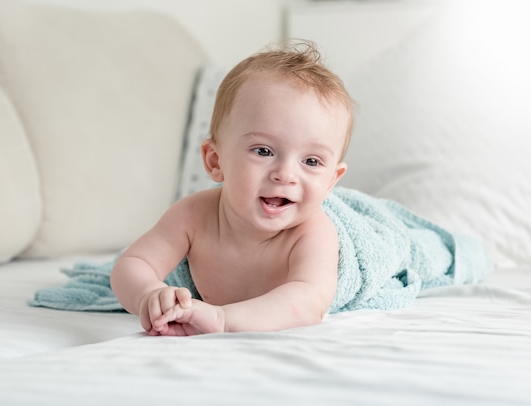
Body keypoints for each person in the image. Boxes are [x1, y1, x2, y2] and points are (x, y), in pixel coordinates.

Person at [110, 41, 353, 336]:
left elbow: (309, 301)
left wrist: (223, 319)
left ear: (331, 182)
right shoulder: (194, 215)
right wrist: (148, 294)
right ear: (215, 161)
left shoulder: (312, 232)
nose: (286, 175)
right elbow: (133, 263)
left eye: (311, 161)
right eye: (263, 151)